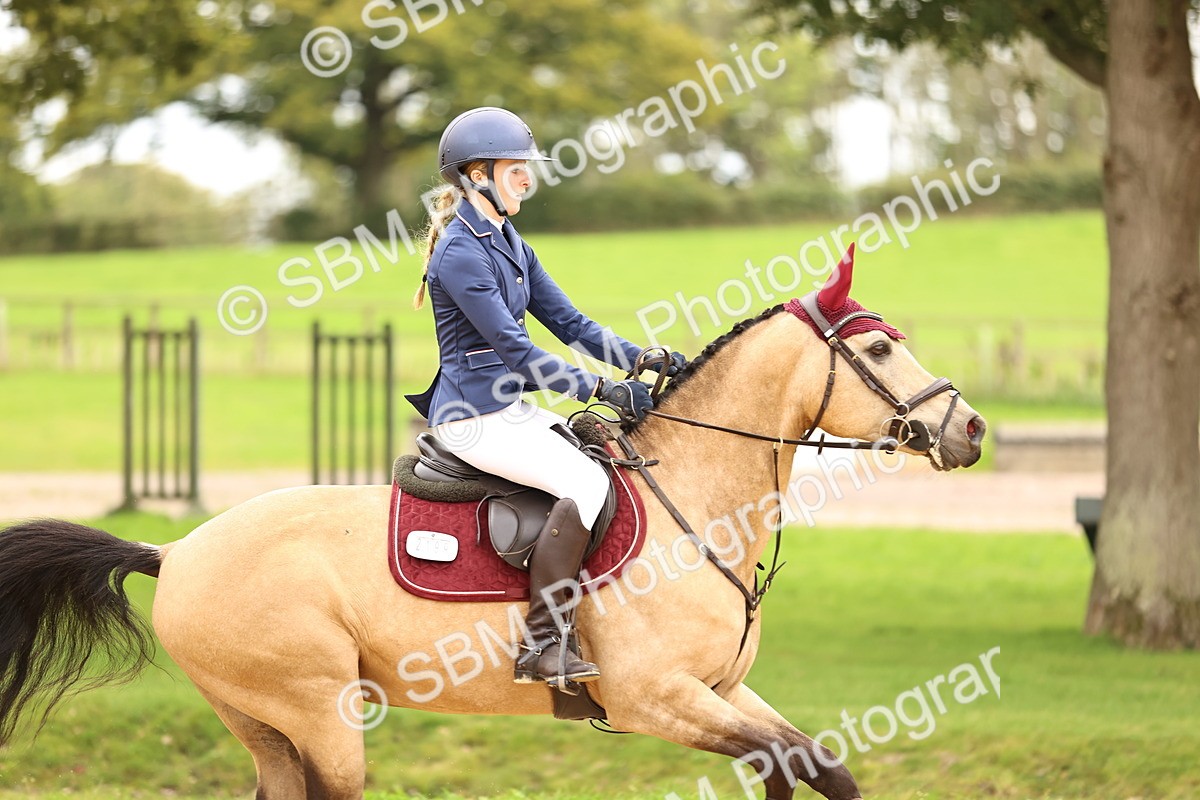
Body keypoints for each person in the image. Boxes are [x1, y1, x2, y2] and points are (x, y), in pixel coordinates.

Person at [404, 107, 685, 688]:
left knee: (607, 458)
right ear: (477, 174)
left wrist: (639, 357)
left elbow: (570, 322)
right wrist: (603, 389)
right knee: (585, 484)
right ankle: (543, 643)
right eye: (516, 169)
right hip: (473, 418)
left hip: (507, 409)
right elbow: (519, 353)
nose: (528, 179)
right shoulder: (461, 253)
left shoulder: (507, 239)